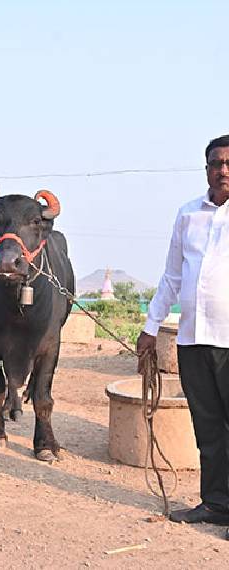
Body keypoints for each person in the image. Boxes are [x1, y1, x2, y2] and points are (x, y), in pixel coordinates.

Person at [138, 133, 229, 526]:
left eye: (228, 162)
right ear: (206, 168)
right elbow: (173, 276)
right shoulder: (188, 213)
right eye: (215, 163)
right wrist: (149, 325)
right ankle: (215, 503)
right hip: (193, 339)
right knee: (207, 426)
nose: (222, 169)